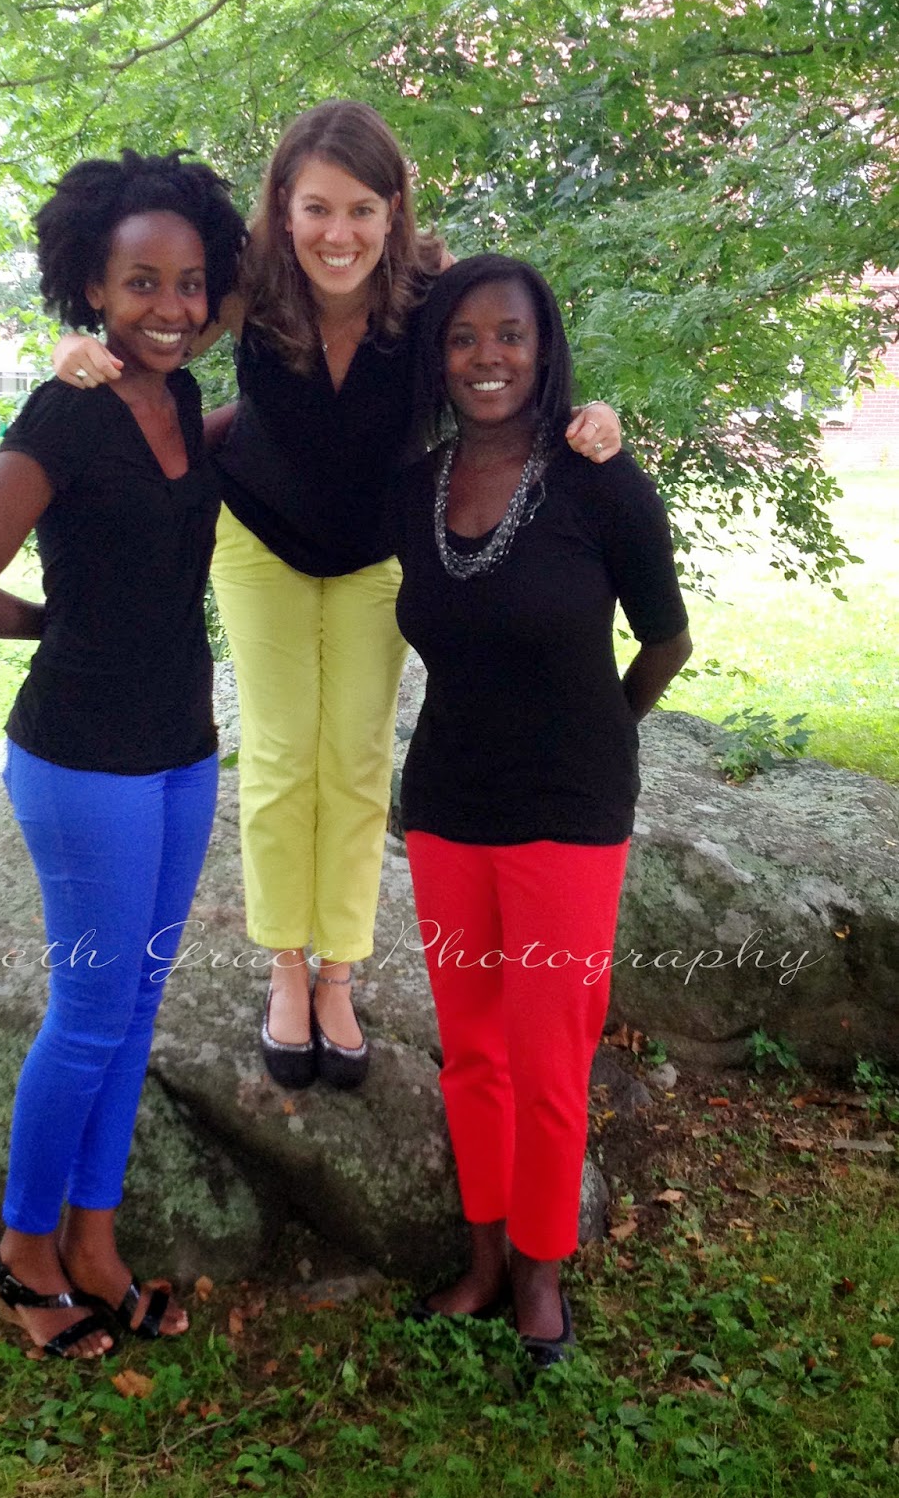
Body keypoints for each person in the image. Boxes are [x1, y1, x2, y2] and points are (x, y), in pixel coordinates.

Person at [50, 102, 623, 1092]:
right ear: (284, 204)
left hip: (377, 554)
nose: (339, 233)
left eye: (362, 208)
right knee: (281, 753)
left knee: (355, 760)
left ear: (394, 207)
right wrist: (73, 350)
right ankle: (285, 965)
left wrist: (591, 416)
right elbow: (156, 334)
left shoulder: (431, 292)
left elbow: (504, 370)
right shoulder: (248, 285)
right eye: (317, 207)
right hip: (260, 542)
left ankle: (339, 974)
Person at [0, 151, 248, 1357]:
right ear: (92, 288)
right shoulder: (67, 411)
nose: (169, 305)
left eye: (189, 282)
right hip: (83, 760)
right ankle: (23, 1253)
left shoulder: (181, 398)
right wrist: (57, 626)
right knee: (92, 1010)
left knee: (138, 1000)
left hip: (181, 752)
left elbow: (258, 314)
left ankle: (96, 1243)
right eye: (139, 282)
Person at [390, 254, 691, 1364]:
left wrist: (601, 729)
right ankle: (482, 1259)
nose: (487, 358)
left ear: (544, 348)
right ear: (438, 357)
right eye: (463, 337)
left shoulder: (600, 479)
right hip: (448, 807)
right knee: (471, 1052)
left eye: (509, 335)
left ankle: (541, 1273)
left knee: (550, 1058)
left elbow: (666, 641)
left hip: (568, 813)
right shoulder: (412, 486)